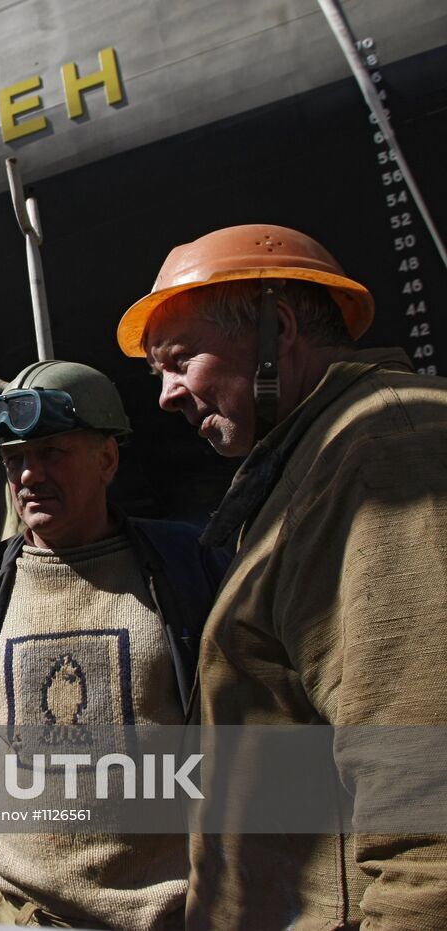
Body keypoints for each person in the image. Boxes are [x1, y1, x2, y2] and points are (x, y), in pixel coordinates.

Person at [119, 223, 447, 929]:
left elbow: (430, 806)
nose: (166, 395)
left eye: (180, 359)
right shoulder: (307, 470)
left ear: (280, 327)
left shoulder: (387, 452)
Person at [0, 360, 225, 928]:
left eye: (52, 452)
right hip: (10, 911)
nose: (29, 475)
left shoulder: (186, 565)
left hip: (163, 915)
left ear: (107, 459)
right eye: (15, 460)